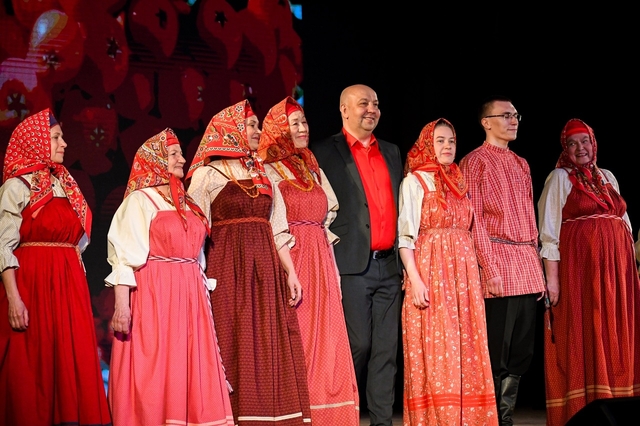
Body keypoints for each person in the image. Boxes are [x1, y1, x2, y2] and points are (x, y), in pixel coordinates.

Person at [186, 100, 312, 425]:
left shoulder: (261, 173)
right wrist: (196, 276)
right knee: (232, 337)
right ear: (231, 130)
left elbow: (278, 226)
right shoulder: (206, 174)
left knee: (268, 341)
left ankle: (269, 415)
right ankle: (231, 415)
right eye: (251, 125)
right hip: (227, 266)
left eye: (258, 125)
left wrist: (290, 272)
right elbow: (195, 229)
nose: (258, 131)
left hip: (265, 268)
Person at [105, 128, 234, 425]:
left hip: (190, 293)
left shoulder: (186, 201)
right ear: (154, 159)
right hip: (156, 294)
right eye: (173, 154)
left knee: (189, 362)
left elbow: (197, 255)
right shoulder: (140, 200)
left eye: (181, 153)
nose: (182, 159)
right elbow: (123, 256)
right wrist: (122, 306)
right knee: (158, 363)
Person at [0, 108, 111, 425]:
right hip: (33, 284)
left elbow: (79, 242)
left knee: (70, 359)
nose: (64, 143)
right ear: (36, 142)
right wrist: (14, 298)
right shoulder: (17, 187)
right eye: (56, 137)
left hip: (67, 283)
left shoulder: (66, 185)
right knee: (33, 360)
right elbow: (2, 245)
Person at [258, 96, 360, 425]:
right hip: (292, 255)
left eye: (304, 121)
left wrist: (334, 270)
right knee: (301, 337)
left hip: (320, 257)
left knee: (330, 340)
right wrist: (287, 268)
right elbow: (272, 222)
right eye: (295, 123)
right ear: (279, 129)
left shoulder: (310, 166)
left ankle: (332, 415)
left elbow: (326, 217)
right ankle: (302, 413)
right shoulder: (267, 169)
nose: (303, 128)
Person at [310, 84, 403, 426]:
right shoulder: (323, 152)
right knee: (358, 344)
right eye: (363, 103)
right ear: (344, 109)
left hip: (389, 265)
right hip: (350, 264)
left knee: (386, 351)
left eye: (375, 103)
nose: (371, 109)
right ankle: (344, 415)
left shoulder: (391, 151)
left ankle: (382, 422)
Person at [537, 118, 640, 426]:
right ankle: (585, 409)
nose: (579, 148)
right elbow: (549, 233)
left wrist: (631, 269)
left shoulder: (607, 176)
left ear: (593, 144)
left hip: (617, 271)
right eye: (572, 143)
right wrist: (552, 280)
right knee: (587, 327)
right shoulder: (559, 177)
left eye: (584, 141)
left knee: (616, 332)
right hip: (582, 269)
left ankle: (619, 402)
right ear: (564, 149)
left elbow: (624, 223)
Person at [398, 118, 498, 425]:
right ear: (428, 144)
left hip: (463, 275)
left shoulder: (459, 181)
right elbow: (405, 237)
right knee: (438, 344)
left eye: (451, 141)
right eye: (440, 141)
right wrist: (415, 280)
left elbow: (471, 228)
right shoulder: (415, 181)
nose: (447, 146)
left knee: (467, 343)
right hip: (432, 270)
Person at [459, 95, 546, 426]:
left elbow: (530, 217)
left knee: (522, 350)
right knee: (498, 347)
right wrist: (489, 267)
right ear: (486, 122)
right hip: (497, 259)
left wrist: (537, 269)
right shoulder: (474, 162)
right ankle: (492, 418)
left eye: (516, 116)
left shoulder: (522, 163)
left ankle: (505, 416)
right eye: (506, 115)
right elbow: (475, 219)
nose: (513, 121)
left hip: (525, 261)